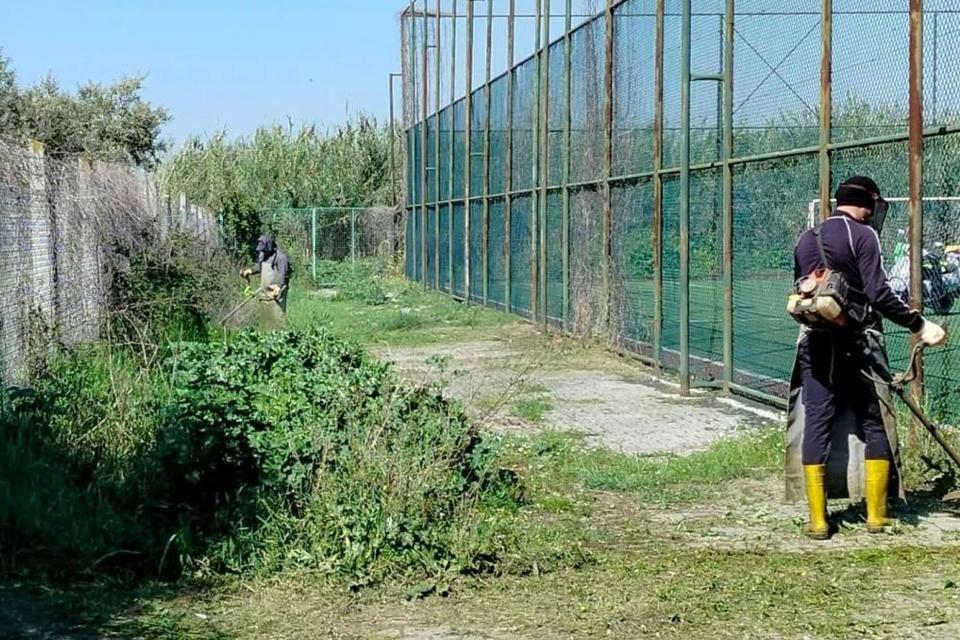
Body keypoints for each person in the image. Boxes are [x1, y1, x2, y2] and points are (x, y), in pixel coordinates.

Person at [785, 176, 947, 540]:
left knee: (817, 423)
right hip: (860, 343)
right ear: (868, 203)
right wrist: (919, 324)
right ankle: (876, 516)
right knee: (875, 420)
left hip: (815, 343)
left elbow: (800, 289)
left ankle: (818, 520)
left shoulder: (806, 238)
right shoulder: (863, 235)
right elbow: (879, 293)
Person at [240, 234, 290, 329]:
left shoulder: (281, 258)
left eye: (264, 249)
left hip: (277, 294)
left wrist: (279, 287)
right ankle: (266, 335)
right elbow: (260, 267)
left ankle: (281, 336)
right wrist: (250, 271)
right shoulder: (262, 255)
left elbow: (283, 275)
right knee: (266, 319)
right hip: (264, 293)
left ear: (269, 247)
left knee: (277, 318)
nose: (262, 251)